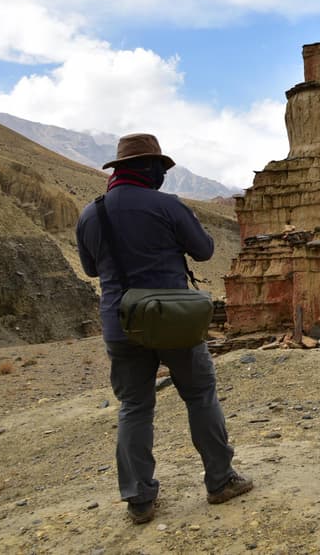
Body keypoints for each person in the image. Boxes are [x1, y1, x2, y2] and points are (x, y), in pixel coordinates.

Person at [76, 133, 252, 524]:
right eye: (159, 169)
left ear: (118, 170)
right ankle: (220, 481)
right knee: (201, 395)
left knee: (135, 407)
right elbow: (205, 250)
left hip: (121, 324)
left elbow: (91, 269)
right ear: (149, 169)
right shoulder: (167, 206)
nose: (162, 175)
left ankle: (139, 500)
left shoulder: (91, 213)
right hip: (175, 321)